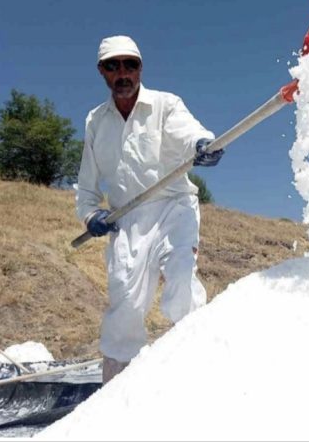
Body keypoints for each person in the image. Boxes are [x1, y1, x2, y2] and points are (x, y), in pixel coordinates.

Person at [75, 35, 224, 384]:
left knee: (181, 285)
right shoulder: (95, 121)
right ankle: (115, 393)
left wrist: (203, 145)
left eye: (131, 64)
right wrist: (90, 216)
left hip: (174, 207)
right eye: (114, 66)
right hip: (126, 219)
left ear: (141, 68)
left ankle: (196, 379)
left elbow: (189, 133)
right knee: (125, 303)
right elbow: (86, 188)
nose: (123, 73)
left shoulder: (165, 104)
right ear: (102, 72)